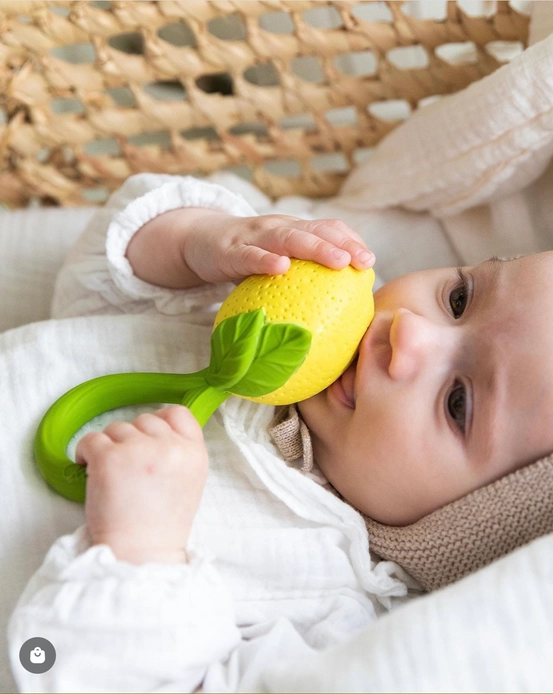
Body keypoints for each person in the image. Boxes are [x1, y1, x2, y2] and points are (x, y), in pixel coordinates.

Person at [7, 172, 553, 693]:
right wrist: (198, 243)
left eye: (458, 402)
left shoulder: (330, 617)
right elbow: (88, 288)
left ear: (473, 525)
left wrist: (141, 548)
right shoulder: (261, 322)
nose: (409, 333)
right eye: (459, 299)